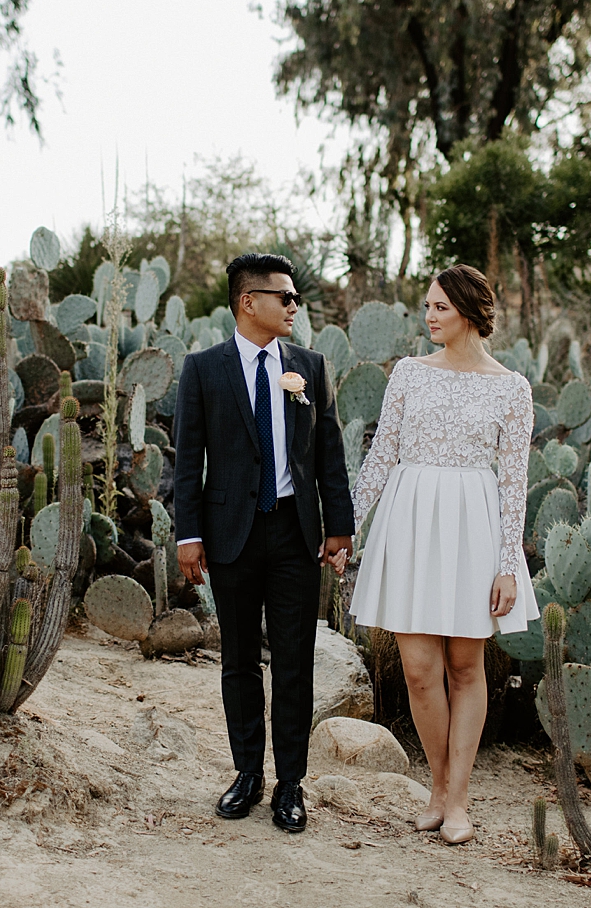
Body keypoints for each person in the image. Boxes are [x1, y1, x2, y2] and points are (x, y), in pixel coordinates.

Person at [348, 264, 539, 845]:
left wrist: (508, 563)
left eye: (439, 308)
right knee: (418, 669)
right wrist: (347, 529)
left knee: (465, 666)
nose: (428, 317)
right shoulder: (408, 374)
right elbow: (381, 456)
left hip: (473, 530)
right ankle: (436, 785)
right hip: (410, 523)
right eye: (427, 306)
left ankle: (458, 800)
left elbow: (514, 484)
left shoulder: (512, 388)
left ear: (471, 315)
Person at [172, 252, 355, 834]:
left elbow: (330, 454)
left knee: (295, 664)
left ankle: (290, 786)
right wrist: (189, 535)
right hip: (230, 536)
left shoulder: (312, 367)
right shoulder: (203, 369)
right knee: (240, 662)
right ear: (249, 302)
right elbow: (188, 459)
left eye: (296, 297)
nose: (295, 306)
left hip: (294, 535)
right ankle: (247, 775)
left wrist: (339, 527)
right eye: (286, 297)